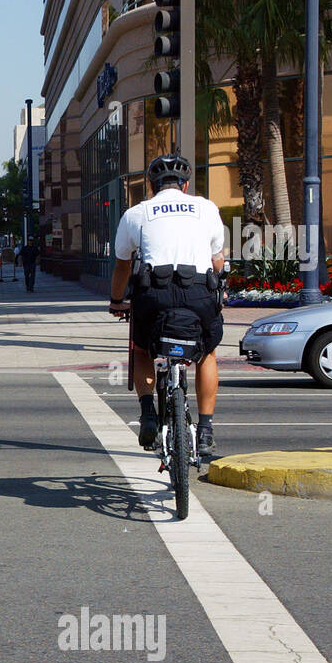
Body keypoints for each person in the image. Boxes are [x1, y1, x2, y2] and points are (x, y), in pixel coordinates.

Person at [109, 153, 226, 456]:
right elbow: (218, 260)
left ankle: (148, 412)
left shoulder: (137, 213)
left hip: (154, 294)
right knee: (207, 353)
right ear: (185, 185)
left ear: (151, 185)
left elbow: (122, 266)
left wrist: (116, 301)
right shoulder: (206, 208)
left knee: (142, 349)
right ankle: (205, 430)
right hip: (198, 292)